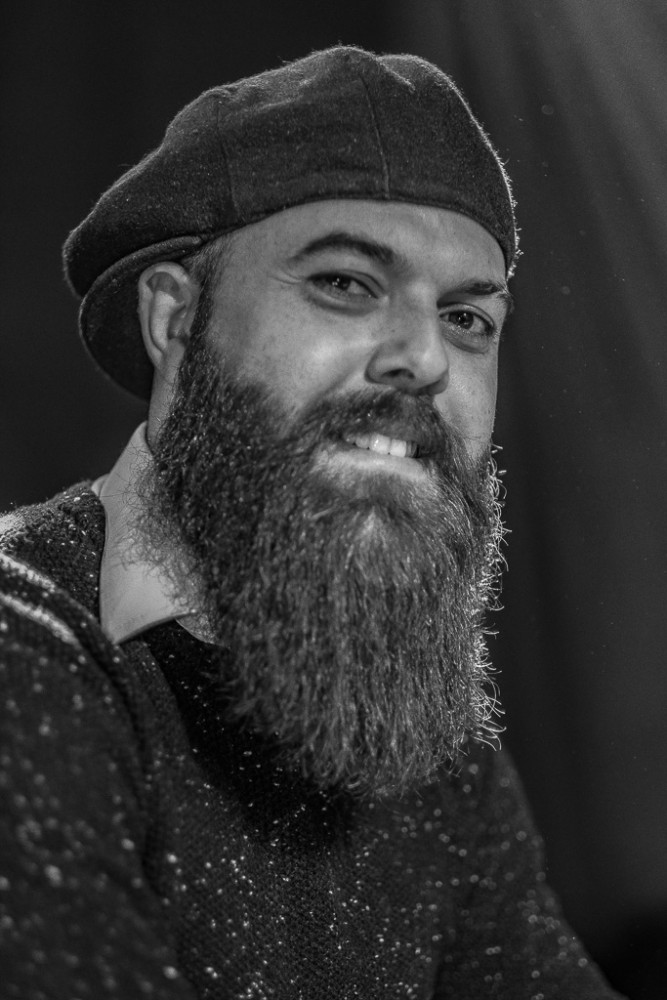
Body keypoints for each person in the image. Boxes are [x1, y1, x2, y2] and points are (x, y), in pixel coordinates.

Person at [0, 46, 624, 999]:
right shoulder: (24, 646)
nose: (423, 358)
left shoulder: (421, 736)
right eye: (345, 282)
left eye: (466, 319)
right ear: (175, 320)